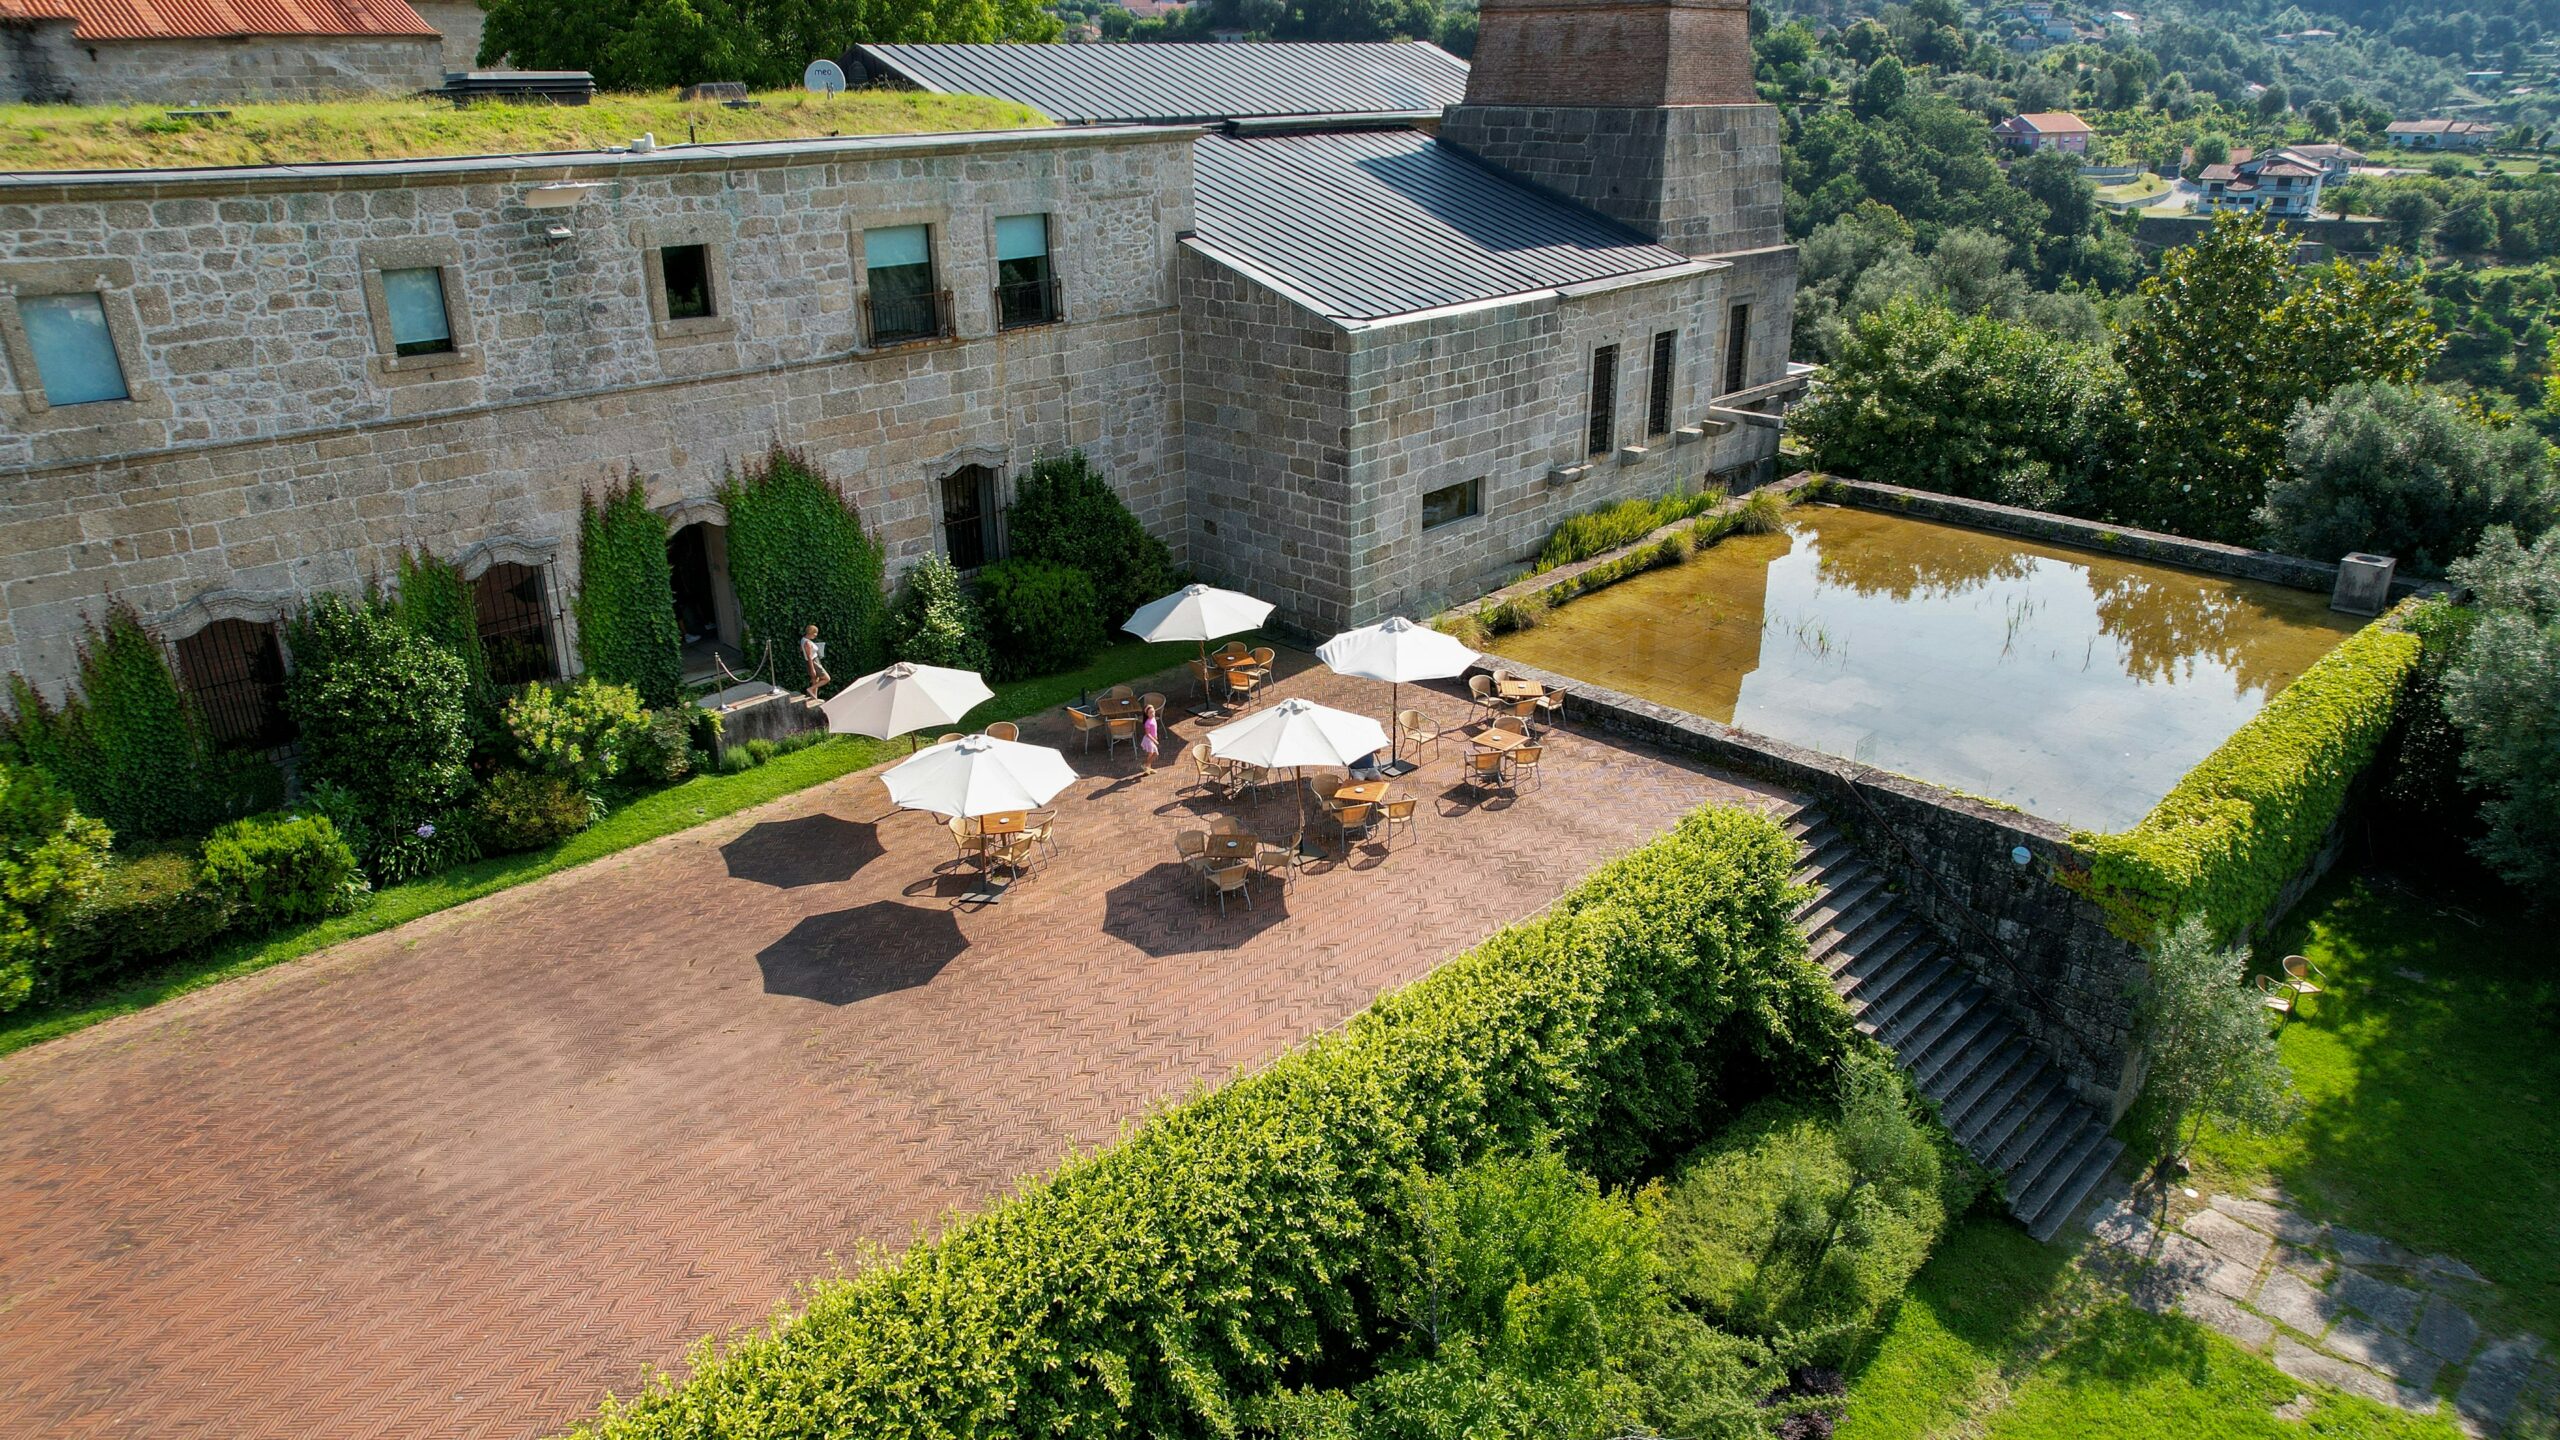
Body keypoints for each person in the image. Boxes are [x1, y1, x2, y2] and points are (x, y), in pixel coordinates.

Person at [800, 624, 830, 701]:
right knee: (827, 678)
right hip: (814, 661)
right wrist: (812, 668)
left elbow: (801, 650)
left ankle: (814, 696)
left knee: (815, 680)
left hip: (812, 661)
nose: (816, 635)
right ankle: (810, 689)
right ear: (811, 633)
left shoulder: (804, 640)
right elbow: (809, 656)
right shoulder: (808, 643)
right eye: (815, 633)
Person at [1139, 701, 1161, 770]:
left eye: (1153, 711)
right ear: (1147, 714)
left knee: (1150, 754)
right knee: (1155, 754)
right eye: (1150, 713)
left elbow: (1154, 729)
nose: (1153, 713)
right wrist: (1154, 740)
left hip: (1152, 739)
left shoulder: (1153, 718)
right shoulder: (1147, 723)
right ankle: (1145, 765)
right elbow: (1147, 734)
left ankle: (1148, 768)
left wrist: (1155, 736)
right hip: (1149, 740)